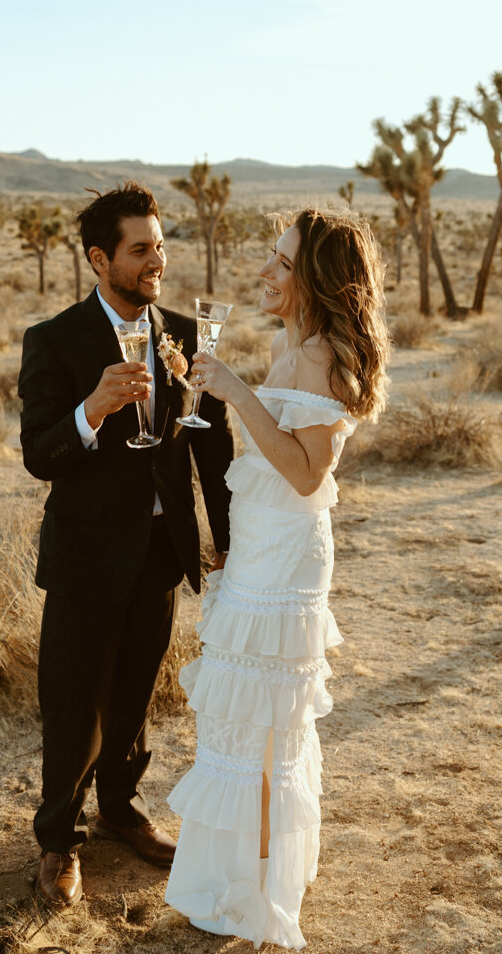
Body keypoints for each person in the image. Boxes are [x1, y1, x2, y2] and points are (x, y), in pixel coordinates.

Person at [165, 208, 390, 949]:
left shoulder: (321, 356)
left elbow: (304, 473)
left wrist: (234, 391)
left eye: (282, 263)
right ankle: (240, 878)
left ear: (317, 281)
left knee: (266, 727)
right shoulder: (285, 345)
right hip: (260, 548)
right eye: (269, 257)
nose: (266, 272)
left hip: (288, 558)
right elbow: (268, 454)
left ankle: (259, 890)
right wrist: (209, 385)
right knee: (241, 722)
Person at [18, 181, 233, 908]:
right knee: (73, 703)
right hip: (84, 558)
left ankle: (117, 809)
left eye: (161, 247)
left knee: (136, 698)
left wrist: (223, 538)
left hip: (158, 551)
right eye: (140, 250)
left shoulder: (183, 332)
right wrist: (93, 408)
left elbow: (210, 444)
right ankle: (57, 842)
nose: (156, 262)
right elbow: (40, 454)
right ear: (98, 258)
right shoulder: (52, 342)